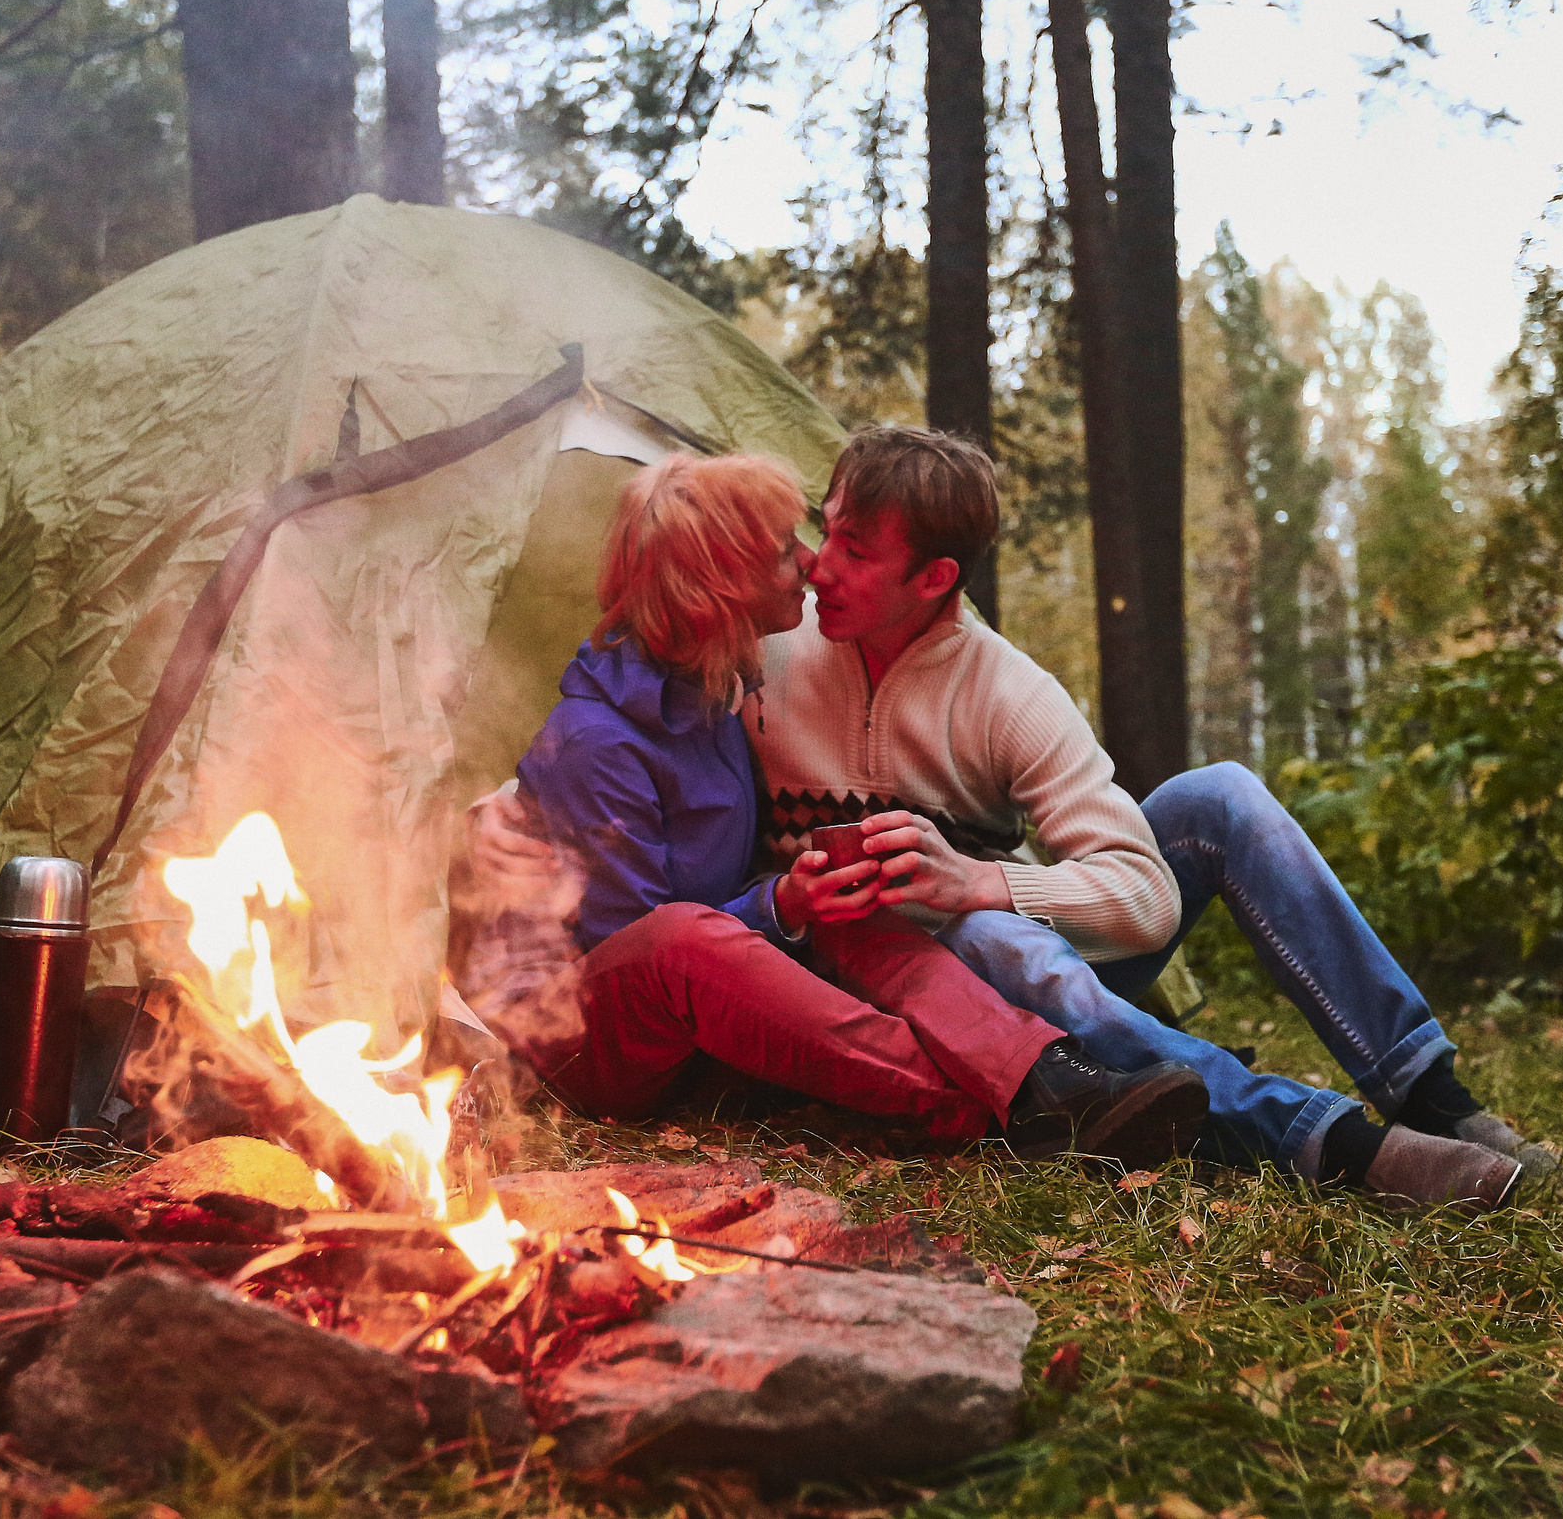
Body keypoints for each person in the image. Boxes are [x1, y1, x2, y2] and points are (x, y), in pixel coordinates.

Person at [484, 427, 1542, 1210]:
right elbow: (628, 750)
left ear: (933, 578)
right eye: (817, 533)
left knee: (1216, 799)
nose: (815, 565)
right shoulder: (756, 663)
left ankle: (1426, 1089)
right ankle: (1295, 1134)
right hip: (853, 957)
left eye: (851, 549)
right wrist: (503, 815)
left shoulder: (1007, 693)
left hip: (987, 938)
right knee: (984, 942)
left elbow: (1143, 900)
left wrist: (979, 880)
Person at [460, 449, 1207, 1167]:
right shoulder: (599, 743)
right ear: (719, 585)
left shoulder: (718, 690)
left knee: (850, 910)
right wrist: (777, 904)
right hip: (582, 1045)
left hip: (697, 1016)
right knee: (685, 938)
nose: (811, 562)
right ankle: (986, 1107)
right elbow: (643, 958)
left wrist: (801, 902)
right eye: (784, 549)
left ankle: (1050, 1076)